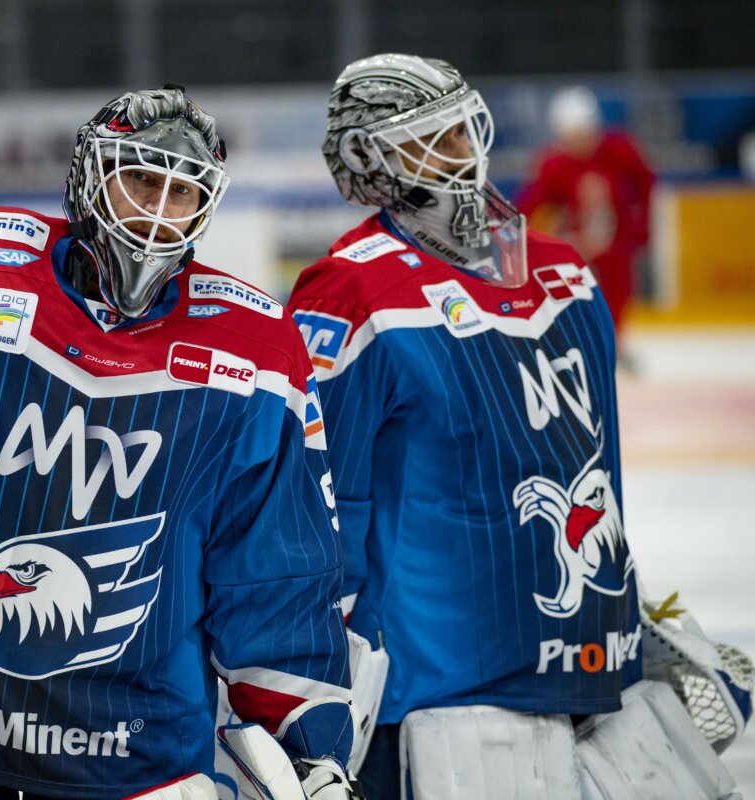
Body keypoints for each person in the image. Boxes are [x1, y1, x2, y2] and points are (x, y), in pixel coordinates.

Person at [0, 85, 358, 799]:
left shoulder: (261, 353)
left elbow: (277, 573)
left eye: (182, 194)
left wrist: (306, 742)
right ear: (92, 177)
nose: (158, 212)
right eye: (142, 181)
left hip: (136, 761)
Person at [289, 54, 747, 799]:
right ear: (369, 159)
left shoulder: (566, 273)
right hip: (440, 693)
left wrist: (617, 612)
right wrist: (318, 676)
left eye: (463, 131)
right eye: (428, 140)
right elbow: (323, 502)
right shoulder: (350, 292)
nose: (461, 156)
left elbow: (597, 466)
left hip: (591, 665)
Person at [516, 85, 655, 341]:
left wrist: (641, 226)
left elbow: (646, 184)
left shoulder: (621, 150)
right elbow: (532, 202)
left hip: (615, 239)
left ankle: (613, 339)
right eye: (572, 138)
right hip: (576, 242)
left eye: (585, 135)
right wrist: (515, 232)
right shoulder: (554, 164)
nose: (580, 144)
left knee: (618, 289)